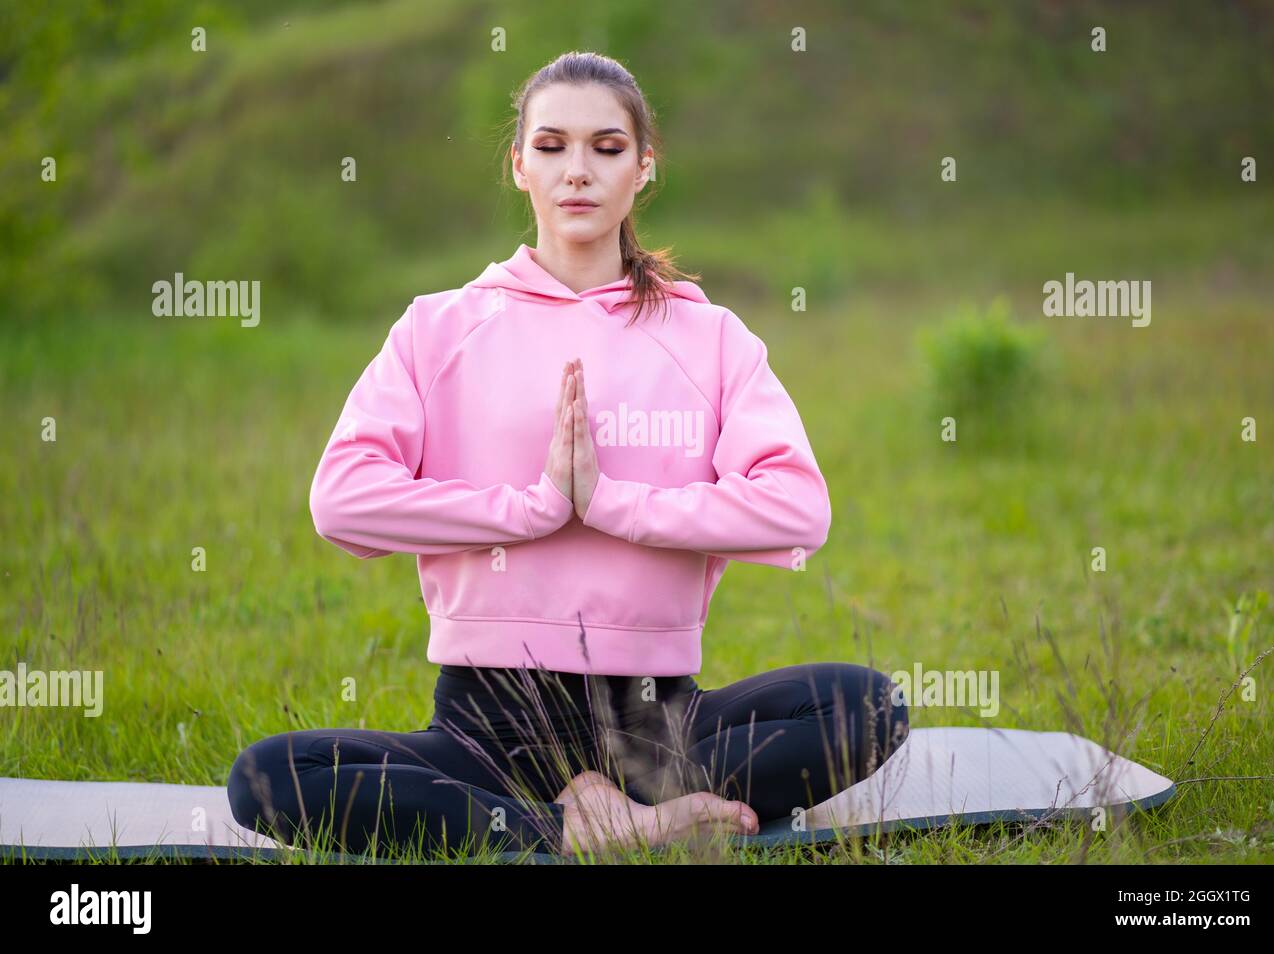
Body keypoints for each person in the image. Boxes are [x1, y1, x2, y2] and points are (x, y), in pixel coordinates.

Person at [227, 50, 909, 860]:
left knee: (871, 705)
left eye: (606, 148)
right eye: (550, 147)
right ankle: (580, 826)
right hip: (490, 732)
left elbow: (798, 511)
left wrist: (613, 504)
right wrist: (532, 508)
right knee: (268, 777)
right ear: (519, 165)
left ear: (644, 167)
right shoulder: (438, 327)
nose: (576, 171)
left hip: (658, 728)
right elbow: (341, 500)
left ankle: (608, 811)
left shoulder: (709, 336)